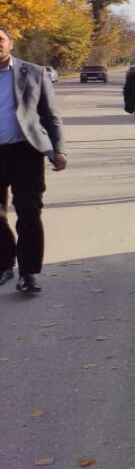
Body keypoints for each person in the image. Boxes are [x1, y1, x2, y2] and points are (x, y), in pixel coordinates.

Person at [0, 25, 67, 294]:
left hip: (25, 152)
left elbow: (51, 116)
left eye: (0, 40)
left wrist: (59, 150)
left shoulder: (34, 73)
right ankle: (4, 264)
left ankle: (28, 274)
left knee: (28, 211)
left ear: (11, 43)